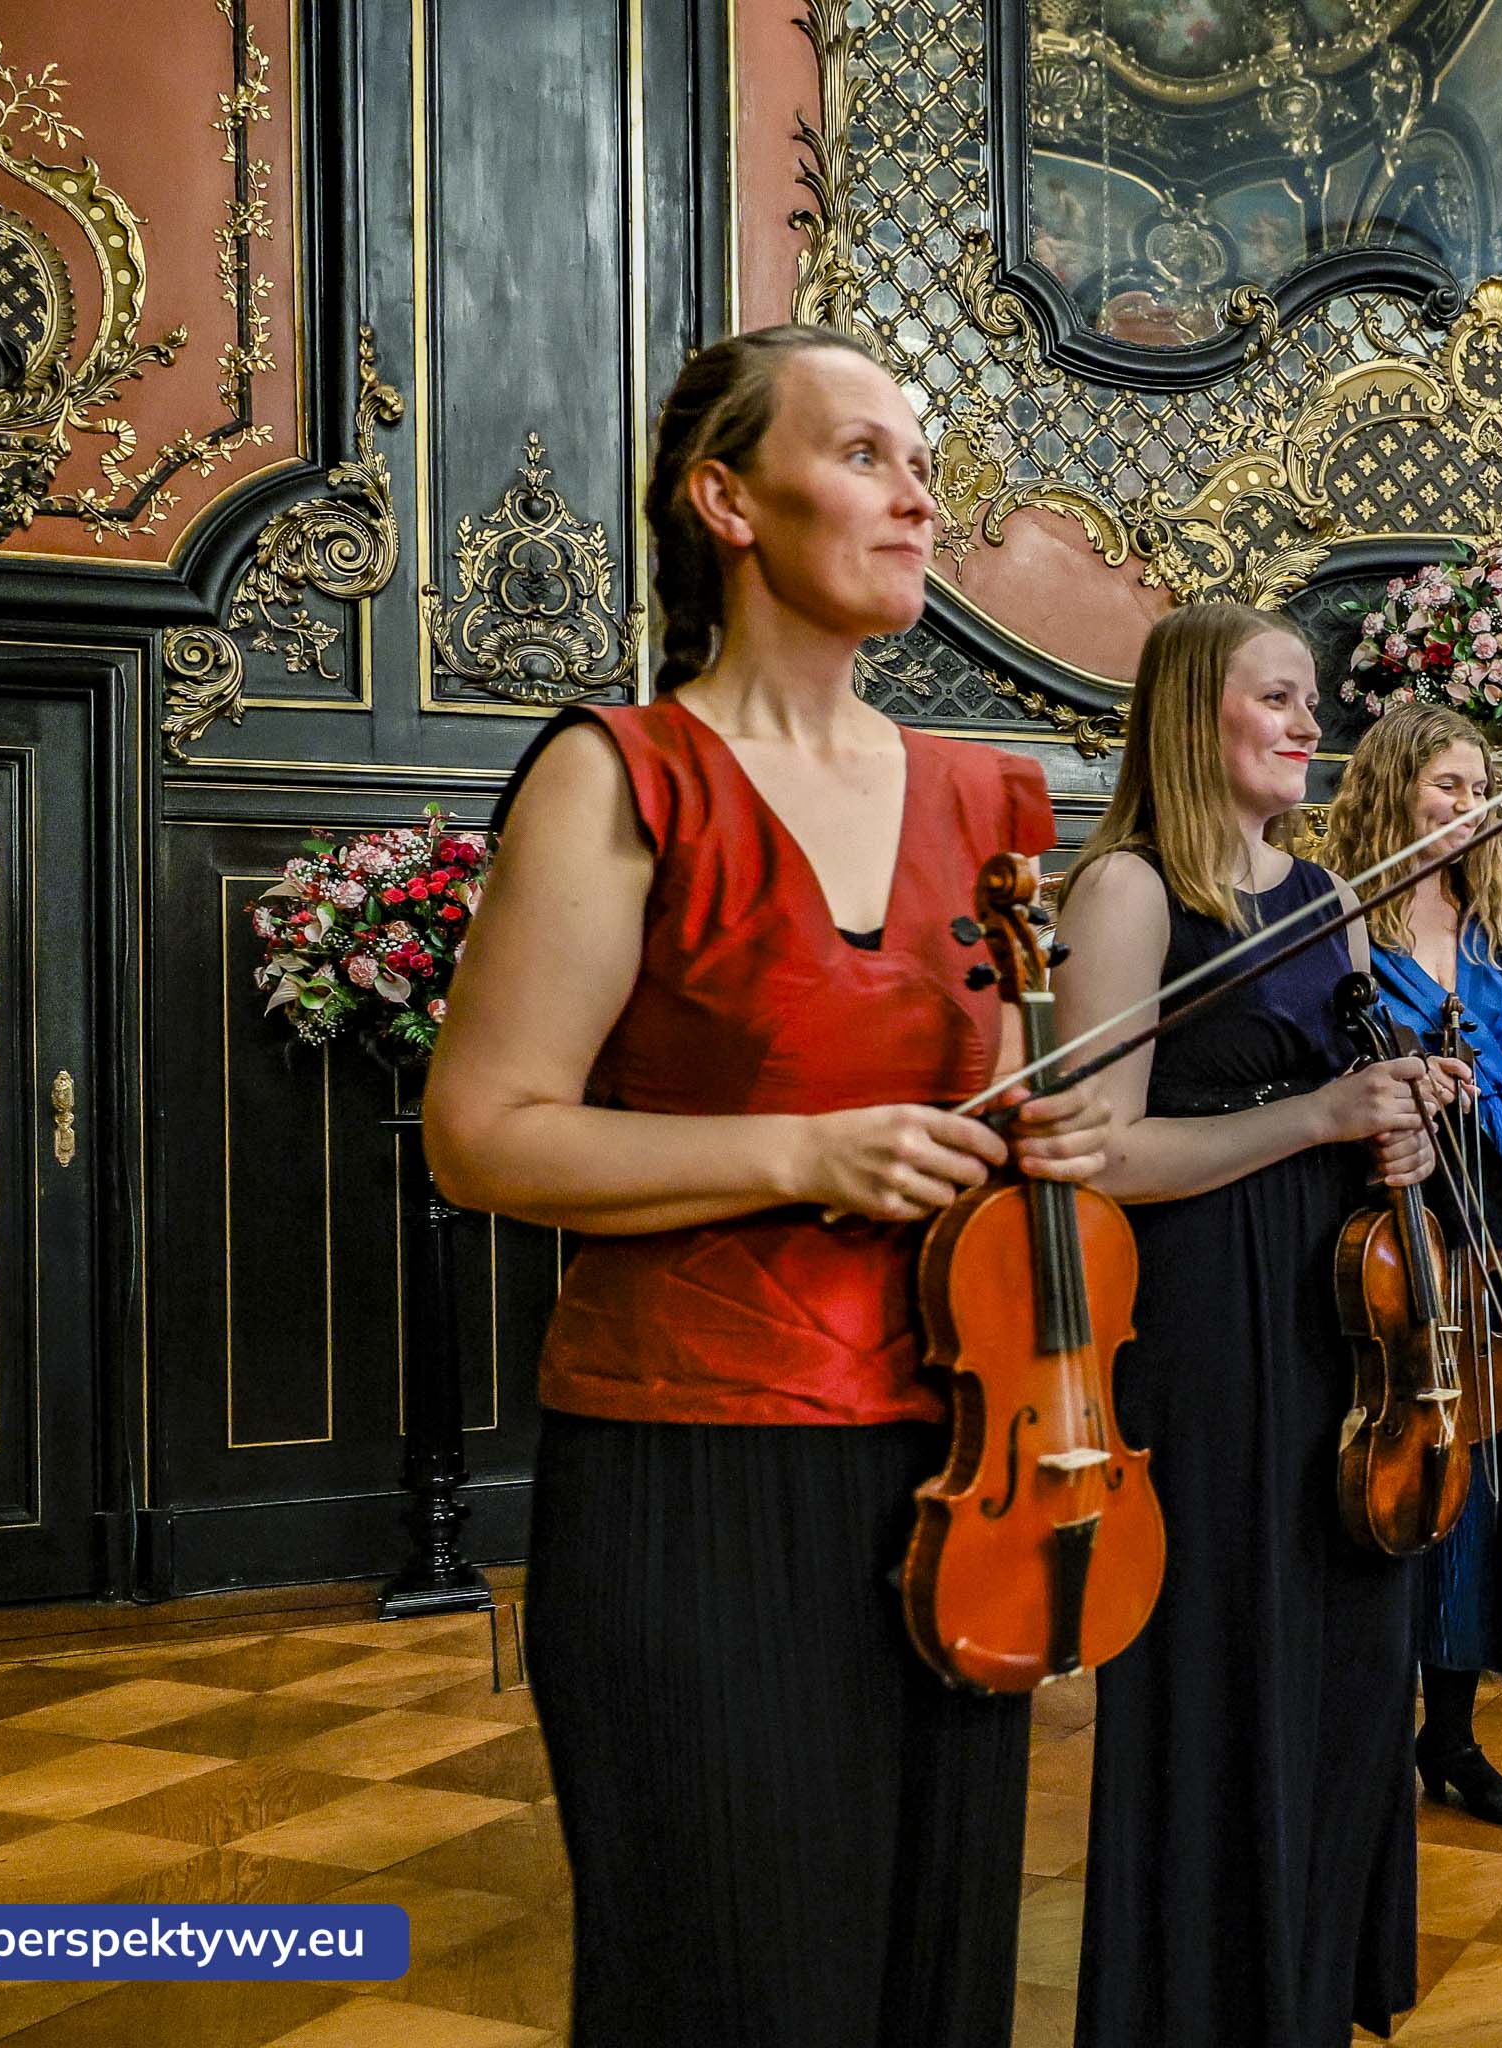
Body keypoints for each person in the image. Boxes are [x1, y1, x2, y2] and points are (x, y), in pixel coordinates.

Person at [422, 323, 1109, 2048]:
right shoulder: (621, 771)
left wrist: (1053, 1144)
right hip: (692, 1473)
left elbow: (1004, 1109)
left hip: (961, 1464)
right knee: (732, 1975)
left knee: (930, 1975)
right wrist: (804, 1150)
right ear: (725, 497)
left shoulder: (989, 796)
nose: (915, 492)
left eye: (922, 460)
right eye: (865, 452)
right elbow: (485, 1129)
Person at [1055, 602, 1452, 2048]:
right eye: (1276, 698)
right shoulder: (1131, 893)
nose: (1308, 724)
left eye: (1311, 700)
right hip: (1210, 1331)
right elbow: (1097, 1148)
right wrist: (1322, 1114)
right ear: (1191, 713)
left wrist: (1397, 1127)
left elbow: (1360, 1096)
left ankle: (1307, 1986)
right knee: (1228, 1658)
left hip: (1347, 1329)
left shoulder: (1332, 896)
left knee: (1352, 1659)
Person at [1322, 703, 1502, 1828]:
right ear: (1393, 787)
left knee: (1480, 1497)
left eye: (1478, 787)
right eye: (1444, 783)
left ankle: (1453, 1734)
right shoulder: (1342, 928)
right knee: (1389, 1487)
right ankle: (1363, 1735)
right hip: (1394, 1251)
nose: (1463, 806)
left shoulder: (1501, 938)